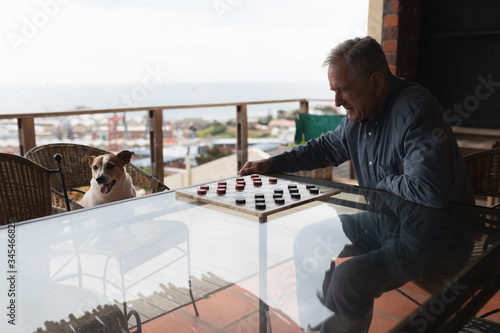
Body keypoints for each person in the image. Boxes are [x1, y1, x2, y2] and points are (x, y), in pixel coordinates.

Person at [238, 36, 474, 208]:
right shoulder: (360, 113)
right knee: (308, 241)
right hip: (386, 223)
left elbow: (429, 190)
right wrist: (272, 163)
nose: (337, 101)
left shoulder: (415, 110)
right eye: (334, 90)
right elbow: (324, 149)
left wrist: (382, 184)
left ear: (377, 84)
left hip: (435, 237)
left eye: (343, 90)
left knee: (345, 273)